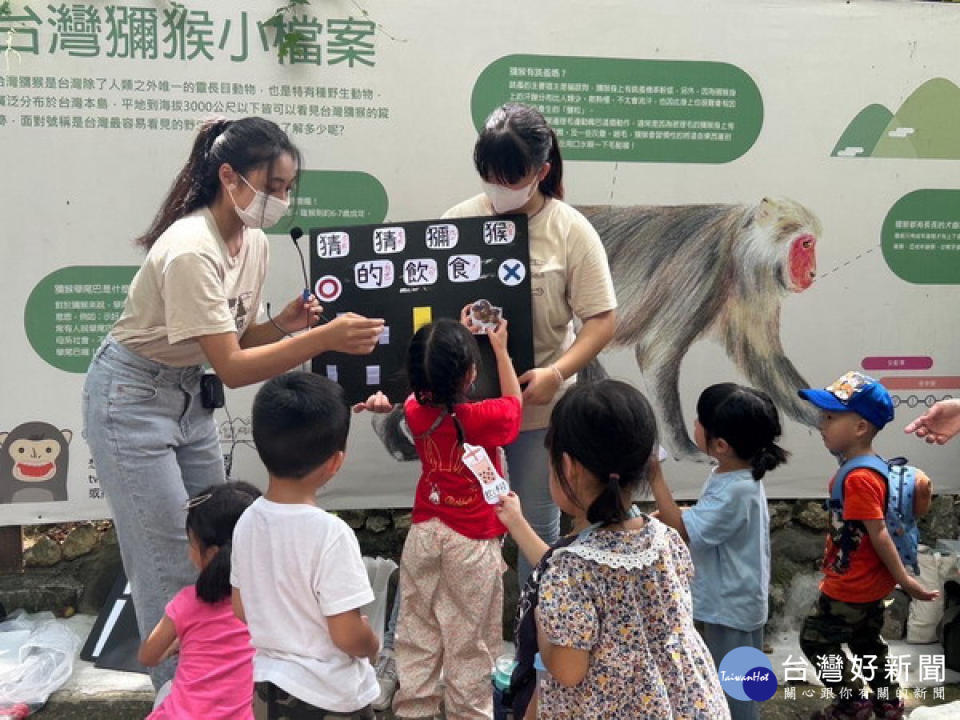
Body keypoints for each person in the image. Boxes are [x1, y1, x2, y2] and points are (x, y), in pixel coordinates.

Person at [82, 116, 384, 689]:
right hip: (130, 399)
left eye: (288, 189)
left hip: (188, 395)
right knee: (171, 560)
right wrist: (319, 338)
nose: (281, 200)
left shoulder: (254, 243)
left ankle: (224, 687)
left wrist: (283, 324)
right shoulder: (190, 249)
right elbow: (235, 368)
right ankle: (181, 698)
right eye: (273, 187)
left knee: (225, 542)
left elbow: (236, 343)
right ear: (229, 176)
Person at [443, 102, 617, 584]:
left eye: (512, 177)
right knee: (464, 522)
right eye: (489, 176)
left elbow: (601, 321)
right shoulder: (457, 221)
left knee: (535, 524)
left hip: (537, 409)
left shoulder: (569, 229)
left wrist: (557, 373)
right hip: (467, 411)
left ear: (542, 171)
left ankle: (535, 633)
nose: (499, 189)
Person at [496, 379, 730, 720]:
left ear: (568, 467)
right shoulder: (665, 540)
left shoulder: (569, 571)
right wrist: (517, 523)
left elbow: (567, 670)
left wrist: (543, 629)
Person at [356, 315, 522, 720]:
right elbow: (516, 406)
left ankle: (414, 710)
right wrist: (499, 349)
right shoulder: (485, 418)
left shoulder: (414, 410)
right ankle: (469, 713)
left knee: (417, 634)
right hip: (473, 544)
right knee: (470, 645)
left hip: (424, 535)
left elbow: (416, 394)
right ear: (470, 374)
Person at [231, 372, 381, 719]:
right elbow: (347, 635)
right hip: (331, 697)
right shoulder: (331, 534)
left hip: (268, 692)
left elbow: (241, 609)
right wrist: (372, 644)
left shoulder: (247, 521)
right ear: (335, 461)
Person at [798, 372, 938, 720]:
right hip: (872, 585)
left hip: (851, 585)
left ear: (860, 427)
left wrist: (906, 581)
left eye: (830, 417)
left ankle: (851, 702)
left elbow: (879, 534)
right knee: (866, 644)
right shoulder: (875, 468)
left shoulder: (859, 478)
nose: (821, 424)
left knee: (815, 640)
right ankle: (888, 703)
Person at [650, 383, 787, 720]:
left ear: (721, 445)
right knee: (738, 686)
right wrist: (675, 514)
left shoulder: (736, 488)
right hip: (738, 604)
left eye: (699, 421)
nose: (693, 424)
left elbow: (685, 533)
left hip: (729, 609)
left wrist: (654, 476)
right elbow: (700, 519)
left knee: (734, 693)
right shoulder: (735, 476)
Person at [139, 482, 261, 720]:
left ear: (212, 554)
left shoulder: (187, 602)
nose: (189, 553)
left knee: (166, 691)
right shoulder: (264, 603)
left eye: (191, 544)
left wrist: (175, 646)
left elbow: (148, 657)